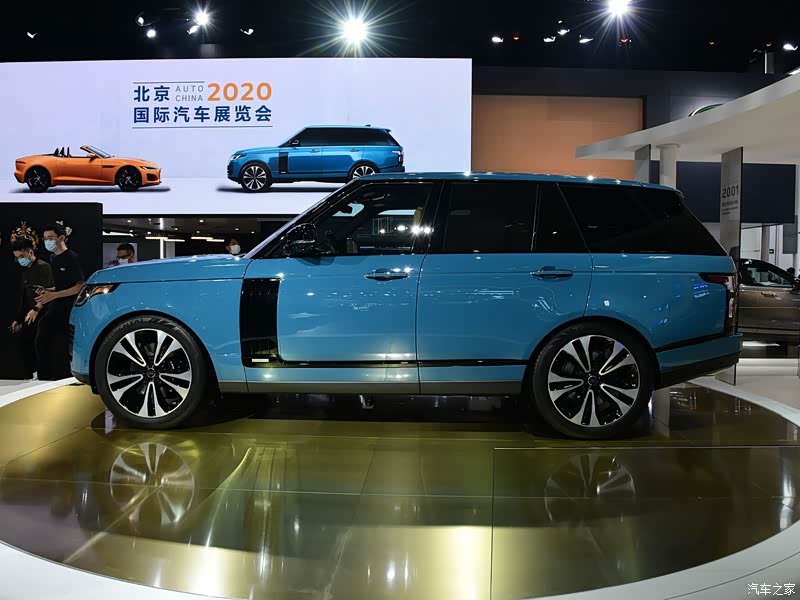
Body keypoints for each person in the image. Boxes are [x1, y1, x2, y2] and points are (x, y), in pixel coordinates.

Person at [34, 224, 85, 380]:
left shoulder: (71, 258)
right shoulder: (54, 259)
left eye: (50, 238)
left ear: (61, 238)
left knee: (55, 342)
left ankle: (58, 376)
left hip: (67, 308)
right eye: (45, 238)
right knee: (46, 340)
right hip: (57, 305)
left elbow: (79, 286)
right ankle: (48, 375)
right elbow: (62, 284)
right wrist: (48, 291)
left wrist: (54, 295)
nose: (47, 241)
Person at [9, 237, 54, 379]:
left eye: (21, 256)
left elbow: (49, 291)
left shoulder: (43, 267)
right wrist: (18, 318)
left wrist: (36, 309)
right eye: (17, 258)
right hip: (30, 313)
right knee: (25, 343)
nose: (20, 260)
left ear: (30, 252)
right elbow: (24, 296)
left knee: (40, 344)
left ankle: (43, 375)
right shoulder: (26, 271)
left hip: (43, 311)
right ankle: (31, 373)